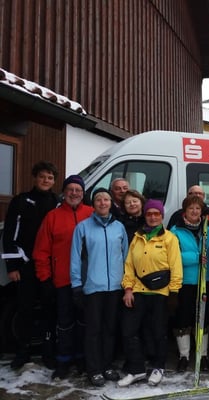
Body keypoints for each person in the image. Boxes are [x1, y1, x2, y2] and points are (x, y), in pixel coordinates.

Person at [33, 175, 93, 380]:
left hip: (88, 281)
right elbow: (41, 250)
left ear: (83, 193)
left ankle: (82, 357)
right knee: (65, 322)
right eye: (70, 189)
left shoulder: (91, 214)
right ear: (64, 192)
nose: (74, 193)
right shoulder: (53, 216)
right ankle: (64, 360)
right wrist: (45, 278)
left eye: (78, 190)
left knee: (84, 321)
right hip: (62, 279)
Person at [119, 199, 183, 387]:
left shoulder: (170, 238)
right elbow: (129, 265)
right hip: (138, 291)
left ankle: (158, 367)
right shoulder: (137, 237)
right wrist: (128, 288)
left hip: (161, 293)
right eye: (149, 214)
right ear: (145, 216)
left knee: (158, 332)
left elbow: (176, 266)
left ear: (162, 216)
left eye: (156, 214)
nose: (153, 217)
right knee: (129, 331)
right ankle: (137, 369)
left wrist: (173, 293)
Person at [2, 161, 59, 370]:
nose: (46, 180)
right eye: (42, 176)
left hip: (49, 266)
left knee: (49, 309)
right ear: (35, 178)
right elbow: (10, 234)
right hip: (26, 264)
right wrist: (12, 266)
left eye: (50, 178)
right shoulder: (21, 201)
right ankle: (23, 351)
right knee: (24, 308)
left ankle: (48, 351)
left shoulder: (57, 202)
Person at [70, 188, 129, 386]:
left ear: (111, 203)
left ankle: (107, 365)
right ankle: (93, 369)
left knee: (110, 329)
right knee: (93, 330)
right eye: (98, 200)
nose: (103, 203)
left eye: (106, 199)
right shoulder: (83, 228)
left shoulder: (119, 227)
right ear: (93, 204)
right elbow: (75, 258)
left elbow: (126, 257)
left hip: (115, 287)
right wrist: (76, 284)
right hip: (93, 287)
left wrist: (127, 283)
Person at [169, 195, 209, 373]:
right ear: (185, 211)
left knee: (203, 317)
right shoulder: (176, 231)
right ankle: (184, 355)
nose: (194, 212)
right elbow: (172, 256)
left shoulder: (208, 229)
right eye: (191, 208)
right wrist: (195, 257)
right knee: (183, 317)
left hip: (205, 280)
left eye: (197, 208)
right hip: (185, 281)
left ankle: (202, 354)